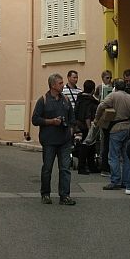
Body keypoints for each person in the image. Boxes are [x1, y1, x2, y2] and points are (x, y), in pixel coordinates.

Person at [31, 73, 76, 205]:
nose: (62, 85)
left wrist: (71, 130)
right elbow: (35, 119)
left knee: (65, 169)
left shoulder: (65, 99)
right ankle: (45, 194)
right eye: (60, 83)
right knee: (47, 168)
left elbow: (72, 118)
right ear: (53, 85)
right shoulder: (43, 100)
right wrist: (51, 121)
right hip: (49, 140)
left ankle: (65, 195)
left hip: (64, 140)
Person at [94, 78, 130, 191]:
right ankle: (126, 181)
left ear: (115, 86)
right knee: (126, 156)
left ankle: (115, 180)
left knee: (113, 155)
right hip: (128, 127)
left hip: (116, 128)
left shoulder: (113, 96)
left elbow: (101, 106)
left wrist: (97, 118)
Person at [73, 80, 99, 174]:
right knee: (86, 146)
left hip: (78, 124)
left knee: (88, 146)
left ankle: (90, 166)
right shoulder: (89, 101)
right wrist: (89, 128)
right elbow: (87, 115)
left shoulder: (80, 98)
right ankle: (83, 167)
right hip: (86, 125)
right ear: (93, 90)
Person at [94, 70, 113, 174]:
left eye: (110, 78)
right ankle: (102, 160)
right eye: (107, 78)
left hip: (111, 114)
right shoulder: (99, 87)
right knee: (103, 139)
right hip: (102, 115)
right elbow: (95, 97)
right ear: (103, 78)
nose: (109, 80)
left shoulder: (113, 87)